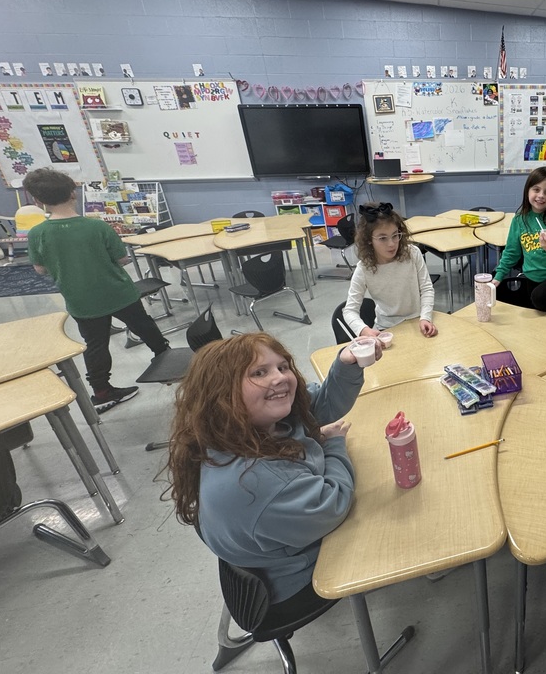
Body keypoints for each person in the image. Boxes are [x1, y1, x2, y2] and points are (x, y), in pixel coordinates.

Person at [163, 332, 377, 612]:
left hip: (273, 553)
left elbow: (318, 406)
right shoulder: (255, 481)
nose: (278, 378)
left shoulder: (236, 427)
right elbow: (334, 502)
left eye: (282, 367)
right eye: (259, 372)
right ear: (222, 393)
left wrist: (348, 364)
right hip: (297, 583)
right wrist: (333, 445)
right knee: (388, 521)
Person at [22, 168, 170, 413]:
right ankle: (166, 360)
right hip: (118, 293)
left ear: (38, 201)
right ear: (73, 194)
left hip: (81, 301)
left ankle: (102, 391)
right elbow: (122, 259)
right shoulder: (96, 227)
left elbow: (40, 270)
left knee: (96, 344)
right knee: (144, 326)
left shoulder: (37, 233)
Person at [344, 201, 437, 338]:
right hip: (386, 328)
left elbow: (427, 288)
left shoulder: (412, 253)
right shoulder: (364, 268)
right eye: (382, 238)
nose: (391, 244)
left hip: (417, 322)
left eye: (395, 235)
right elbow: (349, 311)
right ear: (369, 240)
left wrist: (425, 317)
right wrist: (364, 330)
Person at [492, 166, 546, 312]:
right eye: (536, 189)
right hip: (532, 277)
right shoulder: (519, 220)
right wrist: (498, 275)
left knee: (540, 299)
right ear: (528, 191)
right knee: (534, 311)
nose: (541, 195)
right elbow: (511, 252)